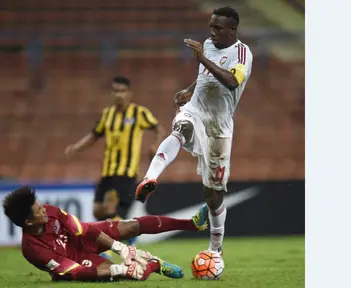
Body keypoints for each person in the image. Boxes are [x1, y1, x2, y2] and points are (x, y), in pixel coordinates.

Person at [135, 6, 253, 255]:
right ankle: (150, 177)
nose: (212, 32)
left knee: (213, 194)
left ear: (232, 30)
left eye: (218, 28)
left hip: (219, 126)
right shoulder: (208, 45)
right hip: (196, 109)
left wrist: (202, 58)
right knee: (180, 127)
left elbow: (232, 82)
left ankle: (215, 249)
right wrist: (190, 89)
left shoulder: (242, 53)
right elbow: (205, 75)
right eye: (211, 26)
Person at [3, 186, 209, 282]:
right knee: (125, 273)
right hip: (78, 261)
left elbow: (84, 229)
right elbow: (73, 270)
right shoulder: (33, 250)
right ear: (28, 222)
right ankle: (154, 264)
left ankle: (192, 224)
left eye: (40, 205)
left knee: (131, 226)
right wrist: (120, 267)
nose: (44, 210)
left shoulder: (50, 211)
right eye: (38, 211)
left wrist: (120, 248)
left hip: (84, 239)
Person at [65, 76, 164, 245]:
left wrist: (156, 146)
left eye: (122, 91)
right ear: (112, 93)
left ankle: (110, 245)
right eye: (116, 91)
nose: (119, 95)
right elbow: (94, 135)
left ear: (129, 93)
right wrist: (76, 147)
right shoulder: (107, 114)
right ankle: (130, 233)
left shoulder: (139, 113)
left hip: (126, 172)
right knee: (98, 211)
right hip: (107, 171)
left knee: (111, 207)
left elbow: (159, 128)